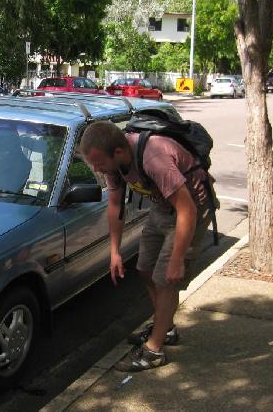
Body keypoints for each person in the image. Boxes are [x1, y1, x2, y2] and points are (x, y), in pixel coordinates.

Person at [80, 121, 213, 372]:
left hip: (191, 209)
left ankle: (154, 351)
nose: (97, 170)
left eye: (99, 164)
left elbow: (187, 210)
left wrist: (177, 259)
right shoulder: (113, 163)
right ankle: (167, 328)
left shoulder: (154, 158)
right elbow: (115, 206)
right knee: (144, 269)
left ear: (118, 152)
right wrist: (115, 252)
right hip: (162, 207)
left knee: (166, 280)